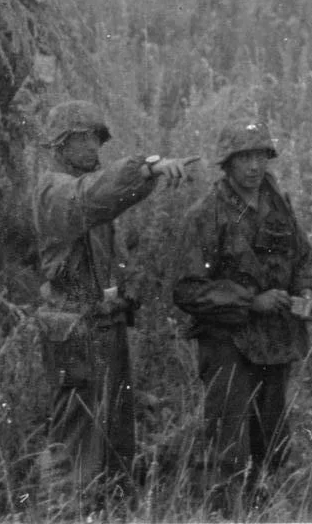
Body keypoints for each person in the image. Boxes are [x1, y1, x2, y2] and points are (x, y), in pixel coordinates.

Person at [34, 99, 198, 519]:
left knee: (113, 436)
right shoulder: (54, 189)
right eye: (84, 139)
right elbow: (88, 198)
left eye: (97, 139)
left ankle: (108, 511)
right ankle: (66, 514)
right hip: (73, 328)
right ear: (60, 143)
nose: (94, 148)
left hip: (102, 327)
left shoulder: (88, 187)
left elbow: (102, 198)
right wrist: (145, 168)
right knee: (75, 437)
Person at [173, 119, 312, 514]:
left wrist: (307, 292)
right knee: (229, 441)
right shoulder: (206, 213)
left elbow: (304, 259)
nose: (254, 166)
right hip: (228, 342)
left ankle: (263, 508)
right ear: (227, 163)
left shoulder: (279, 204)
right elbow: (187, 289)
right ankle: (224, 513)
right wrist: (248, 301)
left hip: (274, 341)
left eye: (260, 155)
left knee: (271, 437)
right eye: (244, 157)